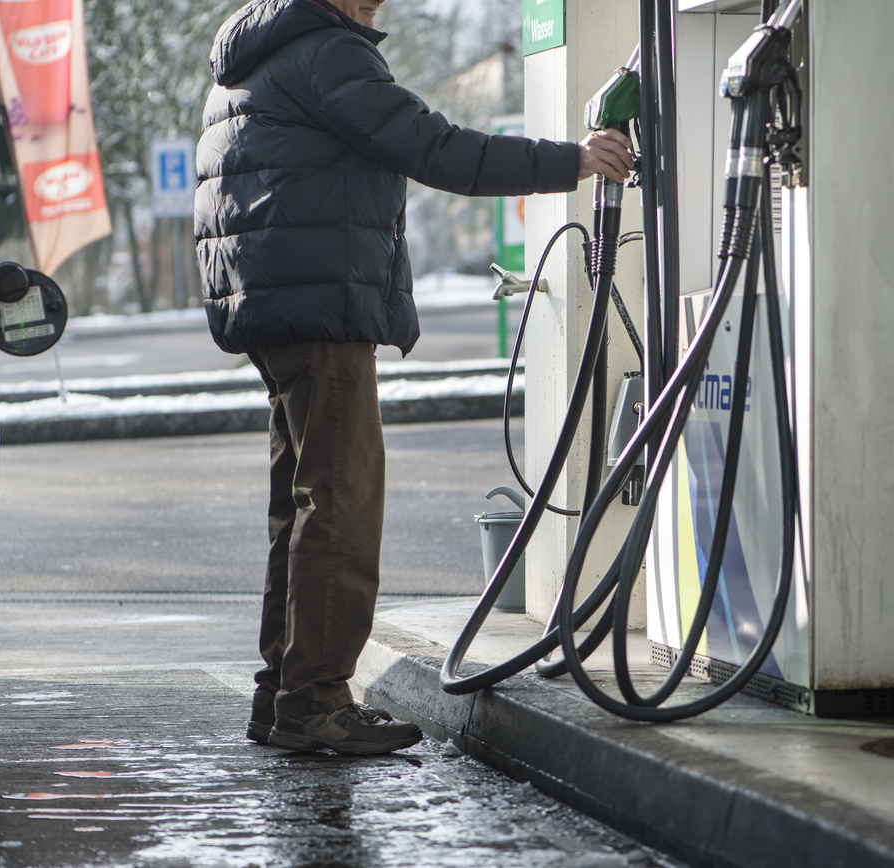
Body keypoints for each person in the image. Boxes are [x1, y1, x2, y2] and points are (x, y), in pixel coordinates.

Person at [194, 0, 632, 756]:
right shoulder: (327, 53)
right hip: (321, 302)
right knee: (340, 502)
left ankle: (282, 694)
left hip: (274, 300)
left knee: (300, 507)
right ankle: (316, 702)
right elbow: (437, 149)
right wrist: (574, 159)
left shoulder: (261, 52)